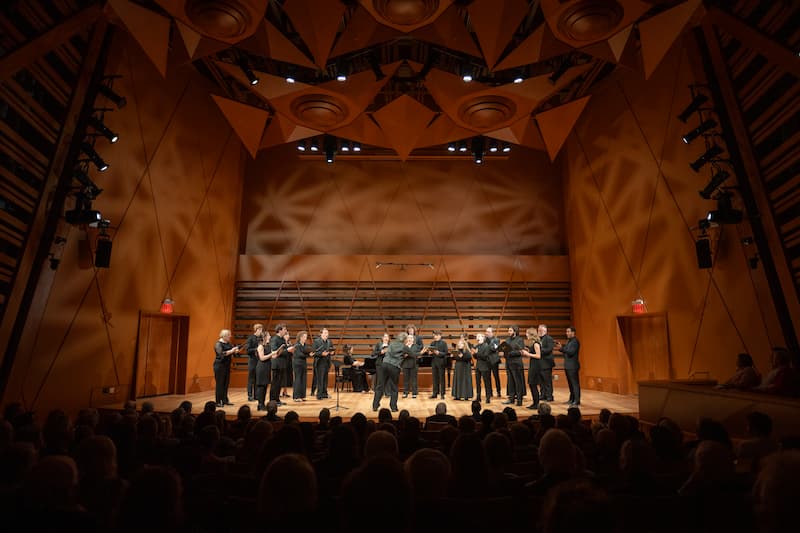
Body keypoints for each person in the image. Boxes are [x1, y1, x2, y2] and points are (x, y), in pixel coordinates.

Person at [373, 332, 411, 412]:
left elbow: (394, 354)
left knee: (380, 386)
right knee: (393, 387)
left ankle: (375, 405)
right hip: (391, 366)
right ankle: (393, 407)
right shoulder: (402, 346)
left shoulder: (392, 344)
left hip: (385, 365)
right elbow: (373, 354)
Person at [213, 329, 239, 407]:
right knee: (219, 384)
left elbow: (232, 352)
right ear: (224, 336)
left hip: (227, 366)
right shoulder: (218, 344)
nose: (230, 336)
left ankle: (224, 400)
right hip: (219, 366)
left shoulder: (228, 343)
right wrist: (231, 351)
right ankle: (218, 402)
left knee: (225, 384)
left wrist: (235, 351)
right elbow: (221, 354)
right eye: (228, 335)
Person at [269, 324, 294, 405]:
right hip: (276, 364)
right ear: (279, 330)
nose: (285, 331)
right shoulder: (274, 339)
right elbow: (274, 351)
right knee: (275, 383)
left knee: (279, 383)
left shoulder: (282, 339)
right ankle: (273, 401)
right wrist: (287, 351)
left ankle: (277, 400)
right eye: (284, 329)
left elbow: (285, 350)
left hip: (283, 364)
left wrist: (290, 350)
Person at [557, 326, 581, 406]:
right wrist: (561, 348)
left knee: (574, 384)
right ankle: (572, 399)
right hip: (568, 365)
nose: (566, 333)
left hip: (573, 366)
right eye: (566, 331)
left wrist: (562, 349)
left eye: (568, 331)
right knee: (570, 384)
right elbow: (566, 351)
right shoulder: (569, 341)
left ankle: (577, 400)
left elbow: (571, 352)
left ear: (573, 332)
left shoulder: (575, 341)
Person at [501, 325, 525, 406]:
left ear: (515, 331)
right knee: (510, 382)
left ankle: (519, 400)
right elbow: (504, 350)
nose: (509, 332)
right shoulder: (507, 340)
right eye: (508, 330)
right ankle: (511, 398)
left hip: (516, 364)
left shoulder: (520, 340)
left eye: (510, 331)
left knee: (518, 382)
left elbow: (520, 352)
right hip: (508, 363)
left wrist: (510, 353)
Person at [255, 331, 279, 411]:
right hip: (261, 368)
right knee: (261, 386)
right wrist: (271, 354)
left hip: (267, 367)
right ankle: (260, 404)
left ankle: (262, 404)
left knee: (265, 386)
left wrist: (277, 353)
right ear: (264, 337)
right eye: (268, 335)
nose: (270, 336)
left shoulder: (268, 346)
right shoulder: (260, 346)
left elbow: (272, 356)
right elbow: (262, 358)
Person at [522, 327, 542, 409]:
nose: (526, 335)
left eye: (527, 333)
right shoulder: (532, 344)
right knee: (531, 384)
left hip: (536, 366)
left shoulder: (536, 344)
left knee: (533, 384)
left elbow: (538, 356)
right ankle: (535, 403)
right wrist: (527, 351)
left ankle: (536, 404)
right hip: (533, 365)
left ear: (531, 334)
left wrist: (528, 354)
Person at [312, 327, 335, 400]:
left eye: (327, 333)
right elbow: (314, 352)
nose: (327, 334)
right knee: (320, 379)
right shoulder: (316, 341)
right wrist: (321, 354)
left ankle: (324, 393)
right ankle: (319, 394)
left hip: (327, 362)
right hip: (320, 362)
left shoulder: (329, 341)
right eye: (325, 333)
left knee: (325, 379)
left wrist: (332, 352)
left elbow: (332, 349)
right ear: (321, 334)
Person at [426, 330, 449, 399]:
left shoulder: (444, 343)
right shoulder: (432, 343)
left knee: (442, 379)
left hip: (441, 362)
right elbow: (430, 352)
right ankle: (435, 393)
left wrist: (439, 353)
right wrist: (429, 353)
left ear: (440, 335)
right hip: (434, 362)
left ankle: (442, 394)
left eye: (436, 335)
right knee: (435, 379)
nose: (434, 337)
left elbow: (446, 353)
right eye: (434, 335)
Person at [245, 323, 265, 401]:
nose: (261, 331)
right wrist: (257, 349)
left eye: (261, 329)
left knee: (257, 378)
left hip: (259, 361)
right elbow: (248, 350)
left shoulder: (261, 339)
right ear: (256, 330)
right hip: (252, 360)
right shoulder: (251, 338)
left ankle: (256, 395)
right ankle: (250, 395)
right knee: (251, 379)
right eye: (259, 329)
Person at [402, 324, 422, 398]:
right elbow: (401, 355)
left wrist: (411, 354)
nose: (409, 339)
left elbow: (417, 354)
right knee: (406, 379)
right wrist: (404, 355)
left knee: (414, 379)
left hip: (414, 364)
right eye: (408, 338)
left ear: (413, 340)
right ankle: (405, 392)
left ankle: (414, 393)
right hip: (406, 364)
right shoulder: (404, 346)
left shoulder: (416, 346)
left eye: (411, 338)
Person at [452, 334, 473, 401]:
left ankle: (466, 395)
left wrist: (462, 356)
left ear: (464, 344)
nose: (459, 344)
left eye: (461, 343)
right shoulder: (457, 351)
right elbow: (455, 357)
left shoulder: (466, 351)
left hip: (465, 368)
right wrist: (453, 356)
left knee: (465, 381)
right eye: (459, 343)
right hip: (458, 367)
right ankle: (457, 395)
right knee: (458, 380)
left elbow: (469, 357)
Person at [473, 332, 493, 403]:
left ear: (483, 338)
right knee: (478, 383)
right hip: (478, 366)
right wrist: (474, 354)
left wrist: (477, 353)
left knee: (486, 383)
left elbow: (485, 357)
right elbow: (476, 357)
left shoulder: (487, 346)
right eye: (477, 337)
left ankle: (488, 397)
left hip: (485, 367)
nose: (477, 338)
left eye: (479, 336)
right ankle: (478, 397)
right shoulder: (477, 346)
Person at [538, 324, 555, 401]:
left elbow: (549, 349)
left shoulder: (549, 338)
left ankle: (549, 396)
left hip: (547, 363)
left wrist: (539, 351)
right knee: (541, 381)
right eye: (538, 330)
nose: (539, 332)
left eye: (541, 330)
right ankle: (543, 394)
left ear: (545, 331)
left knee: (547, 381)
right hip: (540, 364)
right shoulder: (538, 339)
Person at [292, 331, 311, 401]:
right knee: (298, 379)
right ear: (300, 337)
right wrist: (308, 355)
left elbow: (305, 352)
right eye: (304, 337)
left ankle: (302, 396)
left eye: (306, 337)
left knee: (303, 379)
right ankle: (296, 397)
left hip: (303, 363)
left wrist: (310, 353)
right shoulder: (297, 345)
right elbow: (300, 354)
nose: (305, 338)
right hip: (297, 364)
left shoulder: (304, 345)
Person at [372, 333, 390, 400]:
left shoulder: (390, 345)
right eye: (384, 337)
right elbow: (373, 354)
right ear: (382, 338)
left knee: (388, 379)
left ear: (388, 338)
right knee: (380, 379)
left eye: (387, 337)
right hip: (379, 364)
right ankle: (379, 393)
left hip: (388, 363)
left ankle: (387, 393)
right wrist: (381, 352)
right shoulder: (378, 345)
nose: (385, 338)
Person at [486, 327, 502, 397]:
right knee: (488, 377)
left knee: (496, 377)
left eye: (489, 332)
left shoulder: (496, 340)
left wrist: (487, 346)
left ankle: (498, 391)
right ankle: (490, 392)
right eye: (486, 332)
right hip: (487, 360)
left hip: (494, 361)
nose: (487, 333)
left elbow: (494, 348)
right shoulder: (485, 340)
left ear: (492, 333)